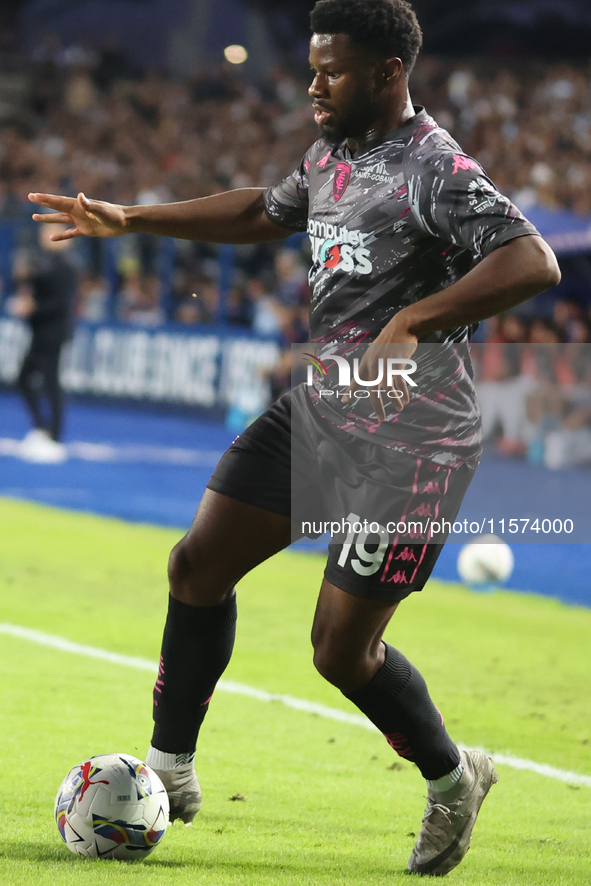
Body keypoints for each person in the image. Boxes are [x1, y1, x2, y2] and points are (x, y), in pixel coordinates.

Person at [29, 0, 561, 875]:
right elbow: (264, 216)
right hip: (326, 407)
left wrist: (418, 318)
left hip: (414, 444)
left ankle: (454, 777)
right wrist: (134, 219)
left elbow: (530, 259)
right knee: (196, 566)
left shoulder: (435, 166)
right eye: (312, 66)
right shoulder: (332, 155)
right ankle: (168, 769)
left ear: (388, 73)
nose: (313, 83)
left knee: (339, 652)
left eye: (332, 69)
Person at [12, 223, 77, 463]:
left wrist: (33, 309)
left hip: (53, 331)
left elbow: (61, 305)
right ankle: (42, 429)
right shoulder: (44, 262)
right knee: (25, 378)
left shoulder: (65, 265)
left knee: (51, 382)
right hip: (41, 331)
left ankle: (55, 438)